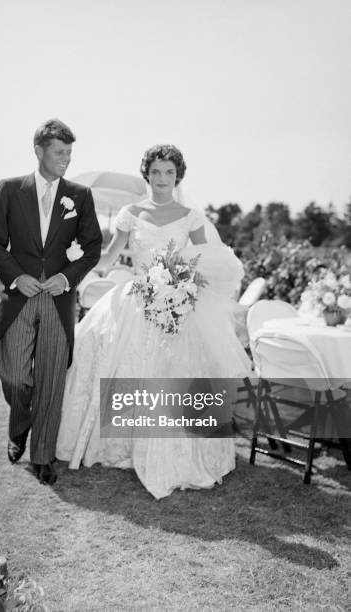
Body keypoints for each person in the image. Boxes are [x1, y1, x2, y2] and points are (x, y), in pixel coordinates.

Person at [56, 144, 251, 499]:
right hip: (135, 299)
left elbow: (206, 260)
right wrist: (76, 260)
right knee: (109, 356)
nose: (162, 179)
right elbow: (111, 255)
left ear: (178, 176)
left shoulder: (191, 216)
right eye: (157, 171)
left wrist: (184, 283)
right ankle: (121, 444)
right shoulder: (131, 213)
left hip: (177, 301)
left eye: (169, 173)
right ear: (147, 173)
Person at [0, 118, 102, 485]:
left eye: (69, 152)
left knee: (51, 379)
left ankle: (43, 455)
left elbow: (93, 247)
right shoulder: (8, 189)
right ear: (39, 151)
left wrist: (66, 278)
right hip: (18, 297)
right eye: (58, 152)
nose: (66, 158)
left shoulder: (79, 195)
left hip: (58, 300)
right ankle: (19, 425)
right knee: (15, 374)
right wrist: (18, 276)